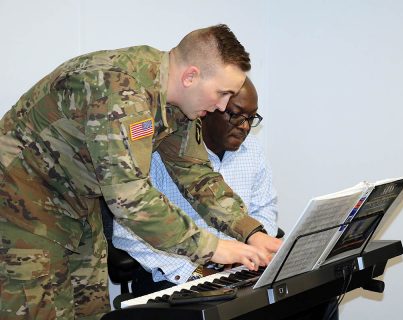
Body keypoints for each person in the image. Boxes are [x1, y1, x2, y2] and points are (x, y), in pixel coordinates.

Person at [0, 24, 281, 320]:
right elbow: (130, 199)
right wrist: (212, 249)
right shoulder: (120, 91)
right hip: (21, 203)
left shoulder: (180, 104)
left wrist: (251, 232)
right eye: (222, 93)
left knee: (90, 311)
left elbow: (196, 174)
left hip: (77, 204)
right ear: (191, 76)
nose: (221, 106)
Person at [113, 77, 279, 296]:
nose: (245, 126)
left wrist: (251, 251)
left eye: (251, 117)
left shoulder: (253, 151)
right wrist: (196, 271)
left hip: (239, 270)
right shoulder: (156, 154)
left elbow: (265, 208)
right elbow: (127, 232)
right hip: (175, 277)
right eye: (236, 115)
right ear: (207, 109)